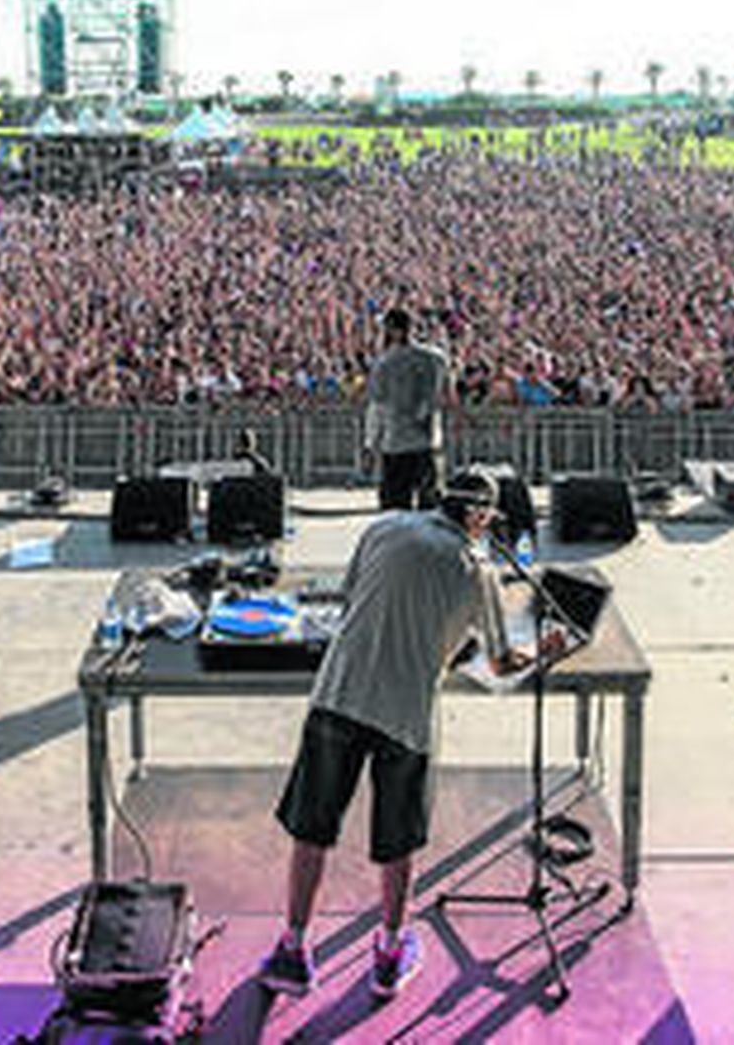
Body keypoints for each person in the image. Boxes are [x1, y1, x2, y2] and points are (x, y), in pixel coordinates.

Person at [258, 467, 566, 998]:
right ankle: (390, 952)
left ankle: (293, 948)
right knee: (397, 841)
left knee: (313, 829)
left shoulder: (386, 526)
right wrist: (545, 650)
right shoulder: (481, 571)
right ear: (478, 516)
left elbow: (356, 599)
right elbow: (502, 661)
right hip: (405, 715)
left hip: (339, 693)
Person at [364, 307, 449, 511]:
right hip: (427, 443)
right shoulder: (436, 358)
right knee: (430, 508)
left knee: (395, 509)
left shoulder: (384, 364)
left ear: (394, 331)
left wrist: (370, 443)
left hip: (396, 444)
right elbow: (442, 394)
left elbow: (378, 409)